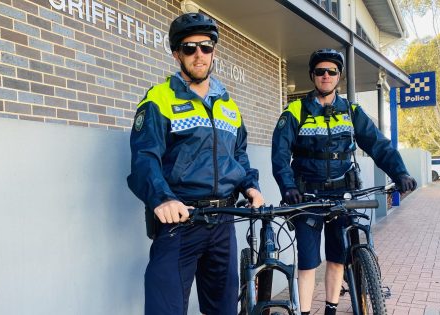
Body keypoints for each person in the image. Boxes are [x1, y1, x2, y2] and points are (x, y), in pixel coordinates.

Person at [127, 12, 264, 315]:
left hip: (223, 220)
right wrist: (162, 199)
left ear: (214, 51)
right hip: (180, 220)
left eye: (206, 46)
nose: (199, 54)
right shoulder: (159, 98)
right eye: (189, 48)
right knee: (165, 309)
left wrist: (250, 186)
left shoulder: (228, 104)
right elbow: (144, 157)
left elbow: (238, 155)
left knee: (224, 309)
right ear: (177, 53)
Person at [271, 48, 417, 315]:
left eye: (332, 72)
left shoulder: (351, 111)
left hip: (344, 195)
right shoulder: (295, 111)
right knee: (308, 263)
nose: (326, 76)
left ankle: (330, 310)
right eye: (320, 72)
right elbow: (280, 155)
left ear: (339, 77)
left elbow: (378, 144)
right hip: (307, 197)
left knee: (338, 259)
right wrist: (288, 187)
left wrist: (400, 173)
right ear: (312, 76)